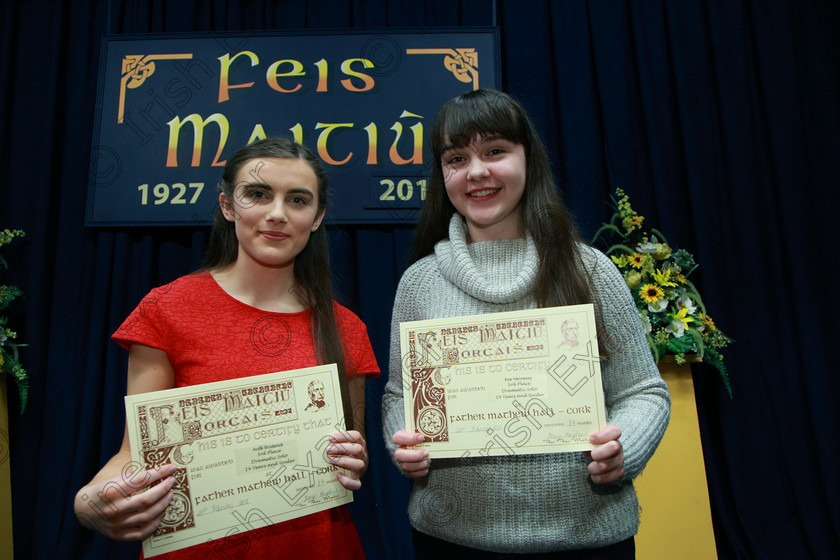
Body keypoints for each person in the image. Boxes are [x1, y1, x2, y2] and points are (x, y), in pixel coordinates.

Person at [382, 89, 670, 558]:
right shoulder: (420, 282)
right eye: (457, 158)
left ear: (528, 159)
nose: (476, 172)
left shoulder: (590, 269)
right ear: (443, 175)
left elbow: (643, 391)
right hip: (450, 541)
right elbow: (400, 395)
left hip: (587, 540)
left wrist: (625, 449)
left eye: (495, 151)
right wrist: (406, 444)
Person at [74, 137, 379, 559]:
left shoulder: (347, 327)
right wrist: (91, 500)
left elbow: (353, 450)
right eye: (258, 194)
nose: (277, 214)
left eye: (297, 200)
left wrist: (352, 457)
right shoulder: (168, 309)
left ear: (316, 217)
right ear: (228, 206)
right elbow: (134, 455)